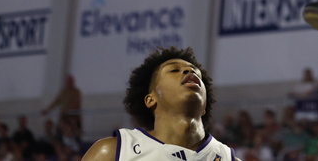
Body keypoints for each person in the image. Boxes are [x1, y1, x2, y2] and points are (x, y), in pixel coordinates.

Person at [81, 46, 236, 161]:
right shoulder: (113, 152)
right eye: (174, 70)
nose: (189, 72)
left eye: (196, 72)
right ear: (150, 99)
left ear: (204, 106)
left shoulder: (227, 158)